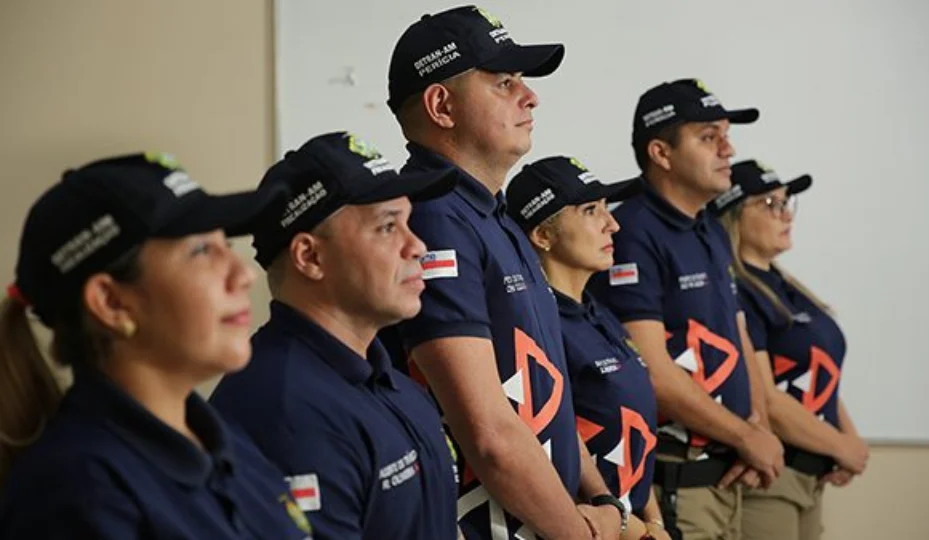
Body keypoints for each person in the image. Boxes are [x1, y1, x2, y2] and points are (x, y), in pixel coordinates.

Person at [384, 5, 625, 539]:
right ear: (441, 105)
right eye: (504, 82)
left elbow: (548, 392)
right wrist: (582, 533)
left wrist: (604, 500)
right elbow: (489, 434)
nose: (530, 96)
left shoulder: (492, 215)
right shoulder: (432, 216)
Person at [0, 153, 314, 539]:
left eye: (226, 243)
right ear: (113, 303)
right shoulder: (78, 495)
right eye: (201, 250)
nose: (244, 273)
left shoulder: (222, 440)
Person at [210, 131, 461, 540]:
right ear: (310, 257)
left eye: (409, 223)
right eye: (386, 227)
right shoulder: (284, 413)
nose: (417, 246)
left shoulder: (393, 382)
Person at [587, 79, 785, 540]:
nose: (728, 148)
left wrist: (757, 428)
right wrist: (746, 437)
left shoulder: (711, 228)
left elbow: (739, 338)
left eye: (726, 135)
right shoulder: (632, 229)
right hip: (679, 476)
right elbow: (652, 372)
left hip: (731, 471)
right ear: (661, 153)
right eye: (708, 137)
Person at [505, 156, 672, 540]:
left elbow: (638, 432)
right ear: (543, 236)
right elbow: (554, 445)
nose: (612, 223)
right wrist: (634, 528)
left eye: (606, 209)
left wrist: (655, 522)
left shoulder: (598, 311)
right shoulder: (540, 326)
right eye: (590, 210)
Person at [712, 159, 869, 540]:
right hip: (772, 476)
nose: (785, 215)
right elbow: (767, 398)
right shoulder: (737, 292)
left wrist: (848, 442)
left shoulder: (787, 287)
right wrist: (842, 446)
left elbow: (823, 373)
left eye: (787, 203)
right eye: (769, 204)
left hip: (811, 473)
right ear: (733, 216)